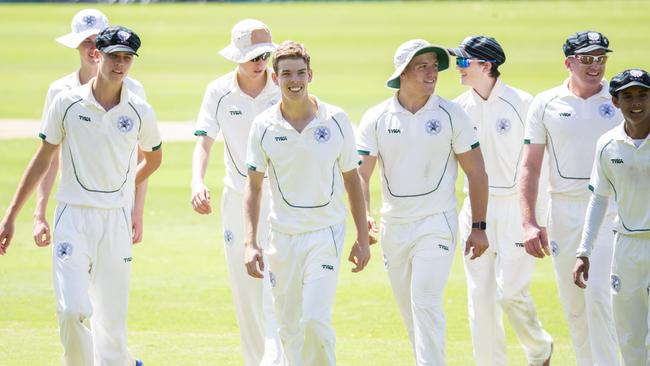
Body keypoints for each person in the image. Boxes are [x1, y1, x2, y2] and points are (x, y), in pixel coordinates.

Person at [0, 26, 162, 366]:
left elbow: (154, 157)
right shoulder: (67, 102)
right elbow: (44, 158)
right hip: (73, 217)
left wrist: (128, 187)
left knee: (112, 328)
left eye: (126, 58)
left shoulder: (139, 110)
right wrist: (13, 215)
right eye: (113, 56)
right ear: (97, 55)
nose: (120, 64)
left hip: (115, 221)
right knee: (72, 310)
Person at [356, 39, 489, 365]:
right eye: (423, 66)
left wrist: (479, 227)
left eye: (435, 66)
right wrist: (365, 220)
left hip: (436, 224)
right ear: (402, 72)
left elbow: (477, 172)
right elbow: (361, 175)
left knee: (425, 301)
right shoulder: (376, 118)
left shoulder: (451, 114)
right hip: (394, 227)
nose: (432, 73)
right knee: (410, 311)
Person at [243, 40, 371, 366]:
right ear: (275, 78)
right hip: (282, 238)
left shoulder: (336, 119)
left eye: (300, 72)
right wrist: (250, 243)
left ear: (311, 75)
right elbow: (254, 187)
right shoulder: (263, 126)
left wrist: (361, 236)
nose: (294, 80)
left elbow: (352, 179)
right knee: (289, 328)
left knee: (314, 319)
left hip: (324, 234)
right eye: (286, 74)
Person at [450, 35, 553, 366]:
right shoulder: (457, 108)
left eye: (464, 62)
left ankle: (539, 348)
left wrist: (537, 219)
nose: (458, 68)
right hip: (475, 209)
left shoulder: (524, 103)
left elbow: (541, 167)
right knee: (479, 299)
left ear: (486, 65)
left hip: (516, 208)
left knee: (511, 294)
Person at [519, 30, 621, 365]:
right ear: (568, 62)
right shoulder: (546, 103)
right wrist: (529, 221)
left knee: (600, 298)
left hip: (609, 211)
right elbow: (531, 166)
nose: (596, 66)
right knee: (575, 307)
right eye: (587, 59)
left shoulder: (621, 99)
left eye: (601, 58)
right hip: (563, 211)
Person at [191, 18, 283, 366]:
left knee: (278, 288)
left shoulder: (283, 85)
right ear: (237, 57)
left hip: (282, 198)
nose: (260, 63)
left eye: (264, 55)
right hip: (238, 197)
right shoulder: (218, 91)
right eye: (253, 56)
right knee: (246, 291)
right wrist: (197, 181)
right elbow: (204, 140)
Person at [34, 8, 148, 251]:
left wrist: (137, 210)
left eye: (97, 41)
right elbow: (49, 156)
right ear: (76, 45)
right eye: (85, 41)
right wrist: (39, 213)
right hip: (75, 207)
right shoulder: (60, 91)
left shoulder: (134, 89)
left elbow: (141, 156)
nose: (92, 48)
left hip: (117, 210)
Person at [573, 68, 650, 366]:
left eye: (642, 95)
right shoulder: (607, 144)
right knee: (629, 339)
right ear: (615, 102)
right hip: (627, 247)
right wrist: (583, 251)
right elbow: (599, 199)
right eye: (627, 97)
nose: (636, 103)